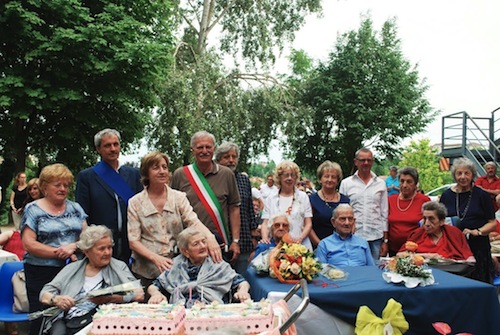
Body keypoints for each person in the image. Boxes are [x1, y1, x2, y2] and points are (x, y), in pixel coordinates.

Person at [127, 151, 221, 291]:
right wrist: (155, 258)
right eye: (156, 167)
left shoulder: (179, 197)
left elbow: (193, 221)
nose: (162, 171)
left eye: (164, 167)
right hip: (146, 271)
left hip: (177, 269)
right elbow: (133, 241)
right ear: (146, 173)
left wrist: (210, 237)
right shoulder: (135, 202)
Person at [21, 163, 88, 335]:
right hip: (40, 271)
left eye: (66, 185)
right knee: (42, 317)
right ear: (44, 187)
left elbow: (87, 238)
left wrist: (73, 246)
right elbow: (29, 243)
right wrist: (60, 253)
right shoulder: (32, 209)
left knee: (71, 314)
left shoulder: (76, 208)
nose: (63, 188)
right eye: (57, 184)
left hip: (71, 271)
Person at [39, 225, 144, 335]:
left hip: (106, 322)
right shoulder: (72, 269)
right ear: (87, 251)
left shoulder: (119, 267)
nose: (107, 252)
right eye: (101, 249)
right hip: (72, 321)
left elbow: (139, 293)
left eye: (109, 247)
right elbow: (44, 294)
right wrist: (56, 299)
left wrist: (110, 298)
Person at [170, 131, 241, 264]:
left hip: (220, 244)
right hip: (190, 246)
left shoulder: (226, 174)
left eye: (208, 147)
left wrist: (235, 241)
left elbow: (234, 208)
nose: (204, 151)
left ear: (214, 149)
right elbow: (173, 210)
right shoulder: (180, 174)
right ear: (192, 150)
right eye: (200, 147)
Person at [76, 128, 143, 263]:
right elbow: (82, 214)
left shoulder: (133, 174)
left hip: (129, 242)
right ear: (98, 149)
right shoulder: (87, 177)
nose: (113, 149)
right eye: (107, 145)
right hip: (101, 245)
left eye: (116, 144)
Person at [147, 226, 250, 307]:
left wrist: (243, 291)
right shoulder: (175, 265)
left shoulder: (217, 263)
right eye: (196, 244)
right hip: (182, 313)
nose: (202, 246)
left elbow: (241, 282)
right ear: (185, 251)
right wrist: (156, 294)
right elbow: (154, 286)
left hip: (213, 313)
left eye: (204, 241)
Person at [440, 157, 497, 283]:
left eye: (467, 173)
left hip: (478, 248)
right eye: (459, 173)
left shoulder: (482, 195)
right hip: (453, 250)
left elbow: (493, 223)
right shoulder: (446, 196)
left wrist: (478, 231)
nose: (463, 177)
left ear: (473, 175)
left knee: (478, 287)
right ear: (454, 175)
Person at [215, 142, 259, 274]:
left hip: (243, 240)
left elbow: (250, 210)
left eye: (234, 157)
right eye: (226, 157)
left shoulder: (243, 180)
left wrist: (253, 238)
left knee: (241, 282)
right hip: (219, 240)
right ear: (218, 160)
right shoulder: (213, 180)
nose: (231, 160)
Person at [339, 148, 389, 260]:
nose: (366, 163)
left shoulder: (380, 184)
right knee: (355, 267)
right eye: (362, 160)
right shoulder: (346, 183)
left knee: (375, 270)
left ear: (372, 161)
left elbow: (384, 213)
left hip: (376, 237)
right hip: (353, 236)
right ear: (356, 162)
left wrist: (385, 241)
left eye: (369, 160)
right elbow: (341, 212)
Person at [260, 161, 313, 250]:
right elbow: (265, 223)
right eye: (286, 175)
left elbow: (308, 223)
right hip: (275, 246)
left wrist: (300, 238)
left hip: (299, 245)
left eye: (293, 175)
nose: (289, 178)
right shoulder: (271, 198)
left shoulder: (303, 197)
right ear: (279, 177)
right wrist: (265, 238)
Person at [399, 201, 474, 262]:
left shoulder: (454, 233)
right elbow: (399, 254)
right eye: (425, 219)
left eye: (431, 219)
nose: (427, 223)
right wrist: (426, 256)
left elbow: (469, 258)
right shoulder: (418, 234)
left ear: (441, 221)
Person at [387, 167, 430, 255]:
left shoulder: (424, 200)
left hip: (416, 250)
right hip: (393, 249)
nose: (404, 185)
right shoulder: (391, 200)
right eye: (402, 181)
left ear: (415, 184)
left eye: (409, 182)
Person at [309, 161, 350, 247]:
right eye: (326, 176)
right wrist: (321, 245)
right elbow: (308, 226)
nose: (330, 180)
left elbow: (351, 224)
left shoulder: (345, 200)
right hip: (318, 245)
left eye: (333, 177)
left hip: (342, 247)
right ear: (320, 179)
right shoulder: (311, 199)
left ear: (338, 180)